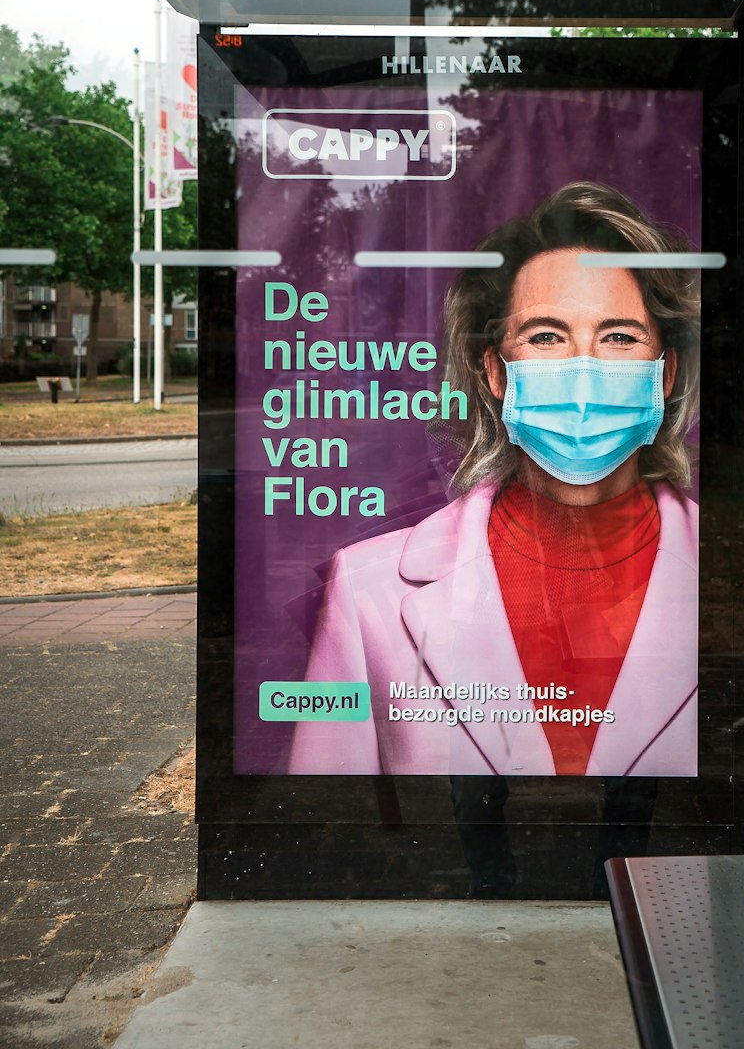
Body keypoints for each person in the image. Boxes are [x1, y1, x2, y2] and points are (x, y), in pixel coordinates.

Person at [288, 181, 700, 777]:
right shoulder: (366, 591)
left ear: (665, 373)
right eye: (546, 336)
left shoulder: (737, 580)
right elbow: (328, 840)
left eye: (618, 336)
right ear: (496, 374)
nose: (582, 371)